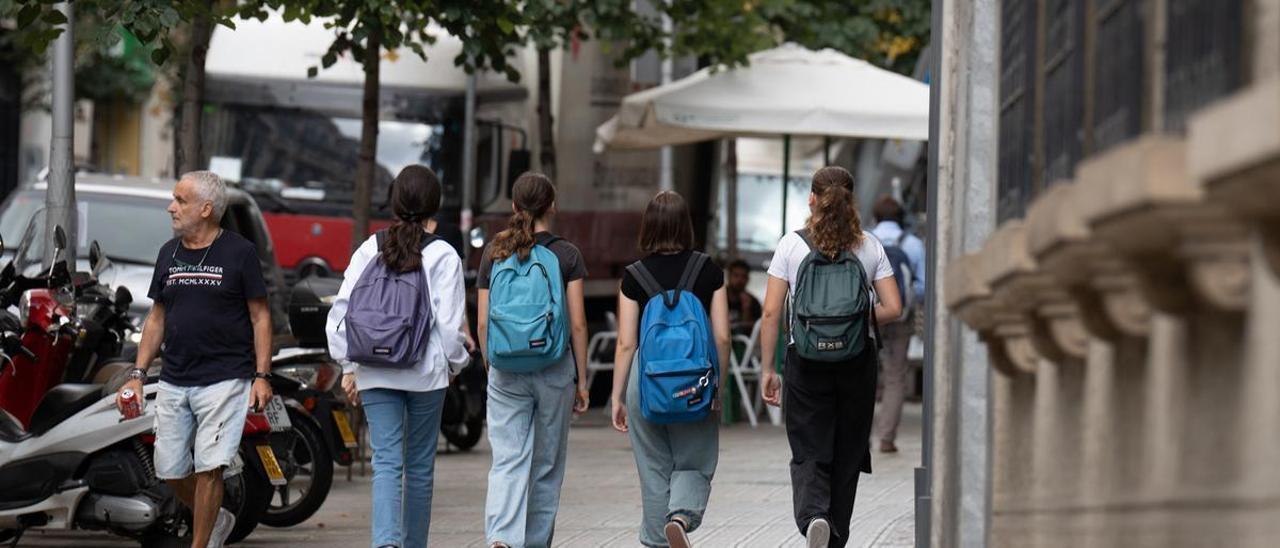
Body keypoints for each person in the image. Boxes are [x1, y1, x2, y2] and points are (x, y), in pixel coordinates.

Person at [117, 170, 274, 548]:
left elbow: (260, 315)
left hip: (225, 378)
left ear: (206, 209)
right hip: (174, 377)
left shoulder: (239, 253)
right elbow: (157, 317)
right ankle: (216, 517)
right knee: (169, 468)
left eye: (180, 201)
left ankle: (201, 543)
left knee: (209, 468)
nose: (171, 207)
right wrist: (138, 373)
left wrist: (261, 375)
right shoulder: (167, 254)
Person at [326, 165, 470, 548]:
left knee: (386, 463)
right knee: (419, 467)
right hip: (425, 373)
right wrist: (455, 365)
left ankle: (385, 543)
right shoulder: (443, 255)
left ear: (394, 202)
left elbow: (340, 313)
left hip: (374, 369)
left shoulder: (369, 247)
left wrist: (348, 365)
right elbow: (449, 326)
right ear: (434, 205)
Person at [759, 166, 902, 548]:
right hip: (857, 361)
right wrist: (858, 319)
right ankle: (835, 534)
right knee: (848, 449)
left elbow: (771, 312)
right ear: (851, 200)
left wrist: (767, 369)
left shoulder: (791, 245)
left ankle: (814, 517)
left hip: (804, 361)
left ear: (812, 198)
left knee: (808, 447)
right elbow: (895, 307)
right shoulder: (869, 246)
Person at [611, 190, 733, 548]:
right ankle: (680, 516)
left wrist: (617, 396)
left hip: (645, 383)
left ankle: (656, 541)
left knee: (652, 470)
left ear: (648, 225)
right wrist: (718, 387)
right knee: (696, 460)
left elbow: (626, 343)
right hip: (696, 380)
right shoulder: (708, 270)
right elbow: (723, 337)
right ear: (686, 225)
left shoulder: (634, 276)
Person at [476, 172, 590, 548]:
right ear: (552, 206)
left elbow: (482, 320)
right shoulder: (567, 254)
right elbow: (576, 323)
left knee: (507, 459)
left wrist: (492, 364)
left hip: (506, 368)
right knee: (546, 465)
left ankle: (501, 537)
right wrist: (583, 379)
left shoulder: (495, 251)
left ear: (513, 206)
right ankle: (535, 542)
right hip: (554, 367)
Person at [870, 195, 926, 454]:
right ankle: (886, 437)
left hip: (868, 317)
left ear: (876, 217)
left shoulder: (864, 240)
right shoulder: (914, 244)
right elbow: (924, 287)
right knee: (895, 377)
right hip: (900, 318)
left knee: (863, 373)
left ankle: (858, 437)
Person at [725, 259, 762, 329]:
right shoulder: (718, 298)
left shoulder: (753, 302)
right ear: (728, 276)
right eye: (736, 275)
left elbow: (756, 329)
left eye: (743, 276)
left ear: (748, 279)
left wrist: (746, 309)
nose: (740, 280)